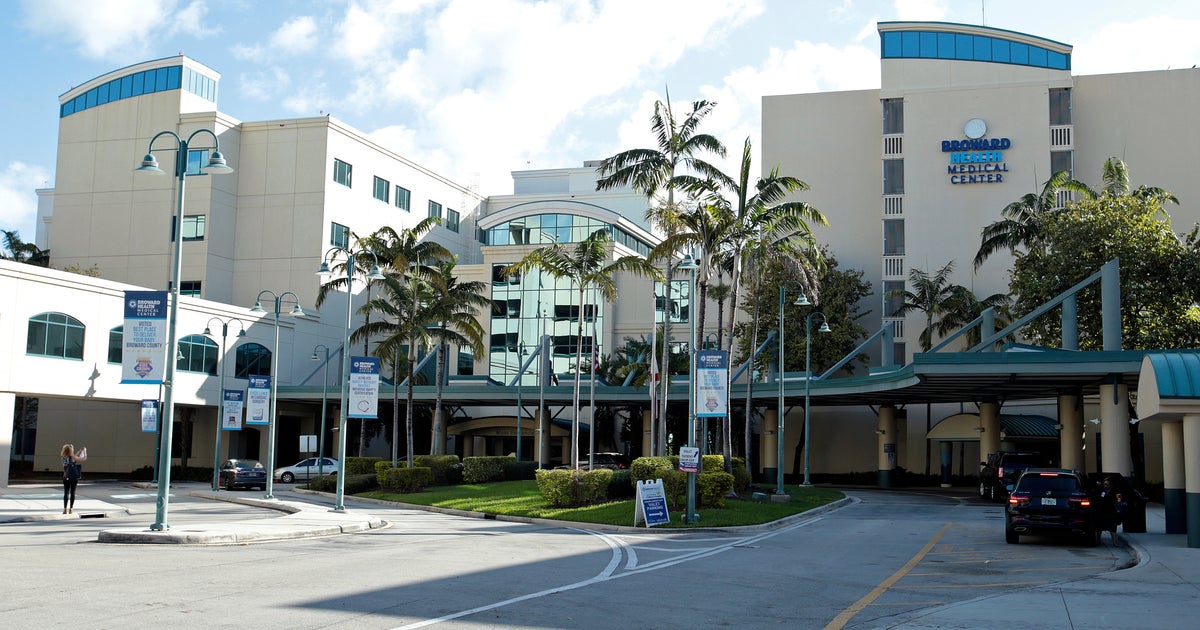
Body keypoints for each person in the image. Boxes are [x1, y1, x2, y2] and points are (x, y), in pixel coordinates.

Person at [1093, 475, 1123, 545]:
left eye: (1106, 484)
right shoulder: (1102, 491)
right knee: (1099, 527)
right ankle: (1098, 540)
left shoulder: (1115, 492)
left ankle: (1115, 542)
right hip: (1102, 511)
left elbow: (1119, 500)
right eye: (1104, 484)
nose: (1105, 486)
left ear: (1110, 485)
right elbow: (1098, 499)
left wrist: (1118, 502)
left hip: (1111, 512)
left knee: (1113, 528)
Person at [60, 444, 87, 514]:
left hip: (66, 476)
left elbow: (74, 458)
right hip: (74, 477)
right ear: (71, 451)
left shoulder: (63, 457)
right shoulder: (72, 457)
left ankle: (65, 508)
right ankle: (71, 508)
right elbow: (83, 458)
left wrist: (79, 452)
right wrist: (84, 451)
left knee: (66, 492)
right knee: (73, 492)